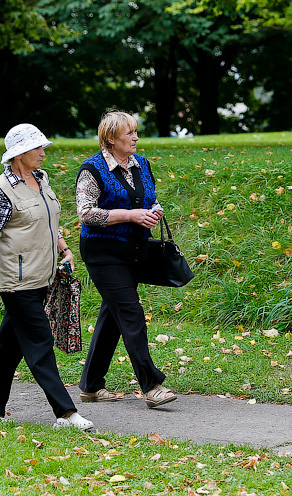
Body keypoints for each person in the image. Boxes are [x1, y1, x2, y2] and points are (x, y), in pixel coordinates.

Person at [0, 124, 94, 431]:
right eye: (38, 148)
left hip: (42, 276)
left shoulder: (41, 179)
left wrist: (64, 247)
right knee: (39, 341)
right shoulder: (1, 191)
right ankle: (66, 413)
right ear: (19, 154)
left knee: (9, 344)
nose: (44, 153)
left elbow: (49, 219)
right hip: (16, 282)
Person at [76, 111, 176, 408]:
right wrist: (130, 216)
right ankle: (152, 385)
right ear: (110, 139)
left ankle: (90, 386)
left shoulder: (141, 164)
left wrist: (154, 211)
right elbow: (86, 213)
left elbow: (151, 198)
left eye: (135, 132)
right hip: (102, 252)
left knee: (113, 316)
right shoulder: (92, 169)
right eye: (128, 133)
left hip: (134, 251)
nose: (135, 137)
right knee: (130, 312)